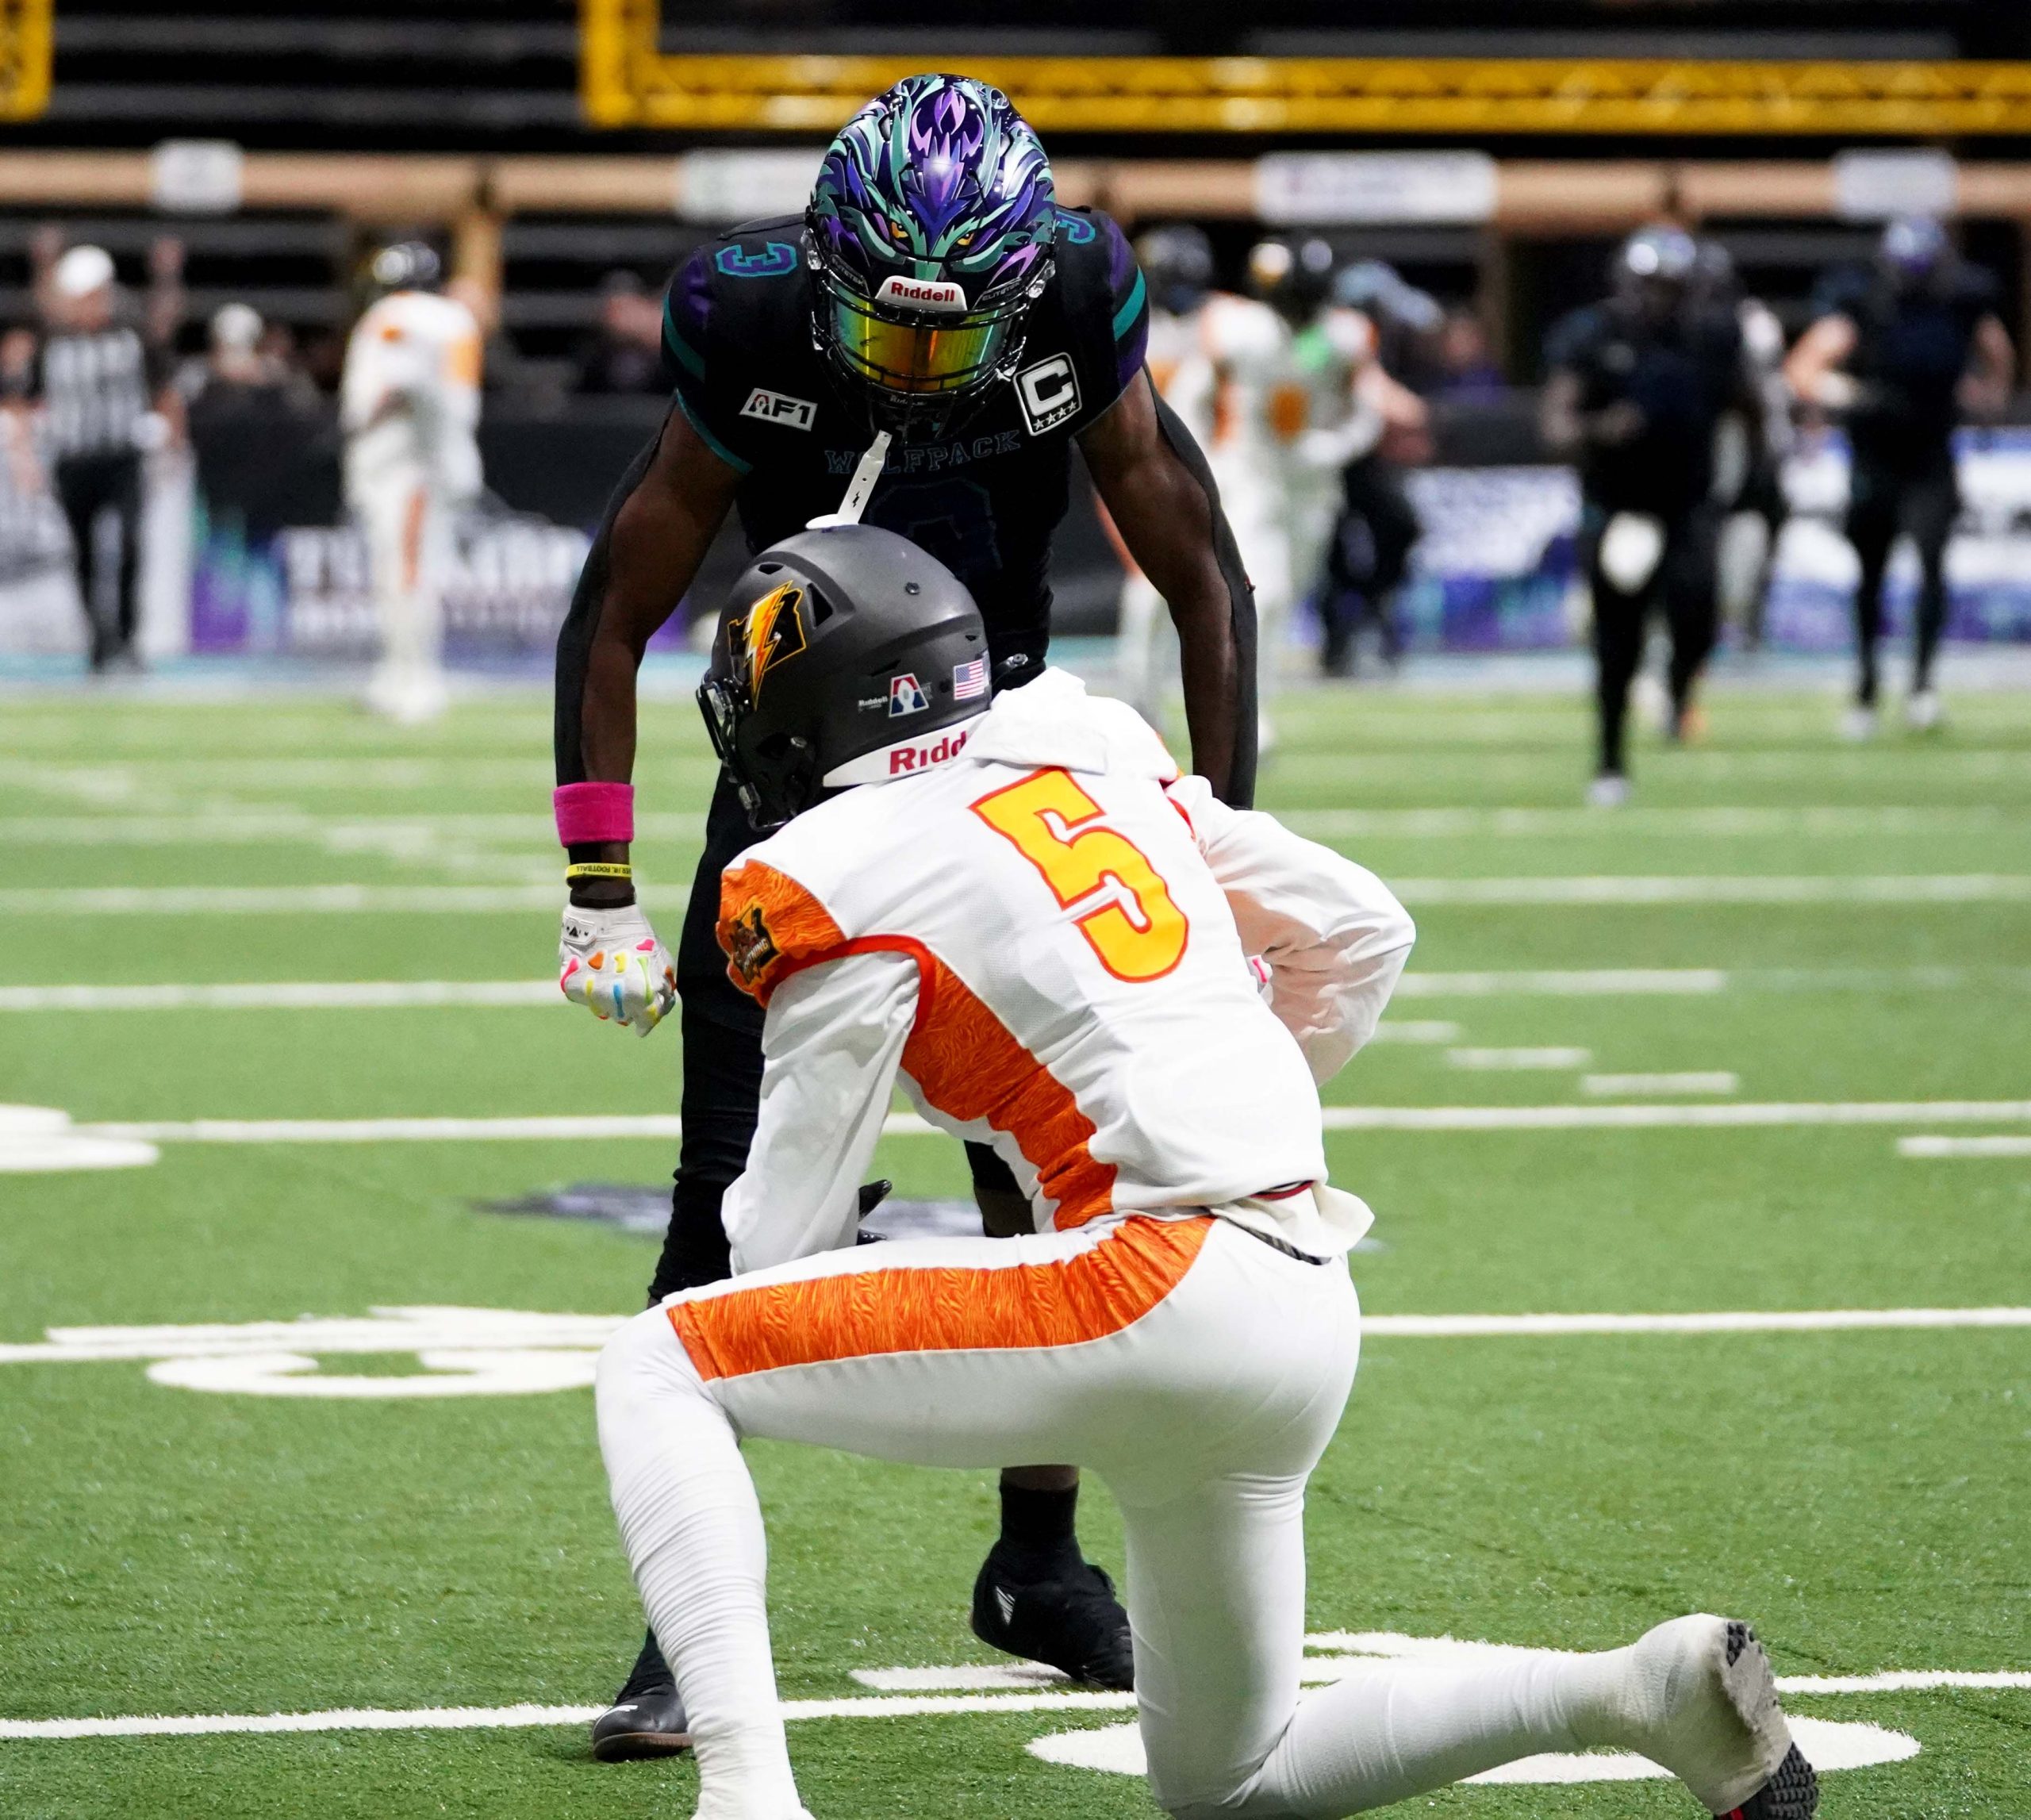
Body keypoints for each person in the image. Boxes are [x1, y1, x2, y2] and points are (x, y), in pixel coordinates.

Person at [593, 518, 1822, 1820]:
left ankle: (747, 1796)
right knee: (1231, 1781)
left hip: (1147, 1284)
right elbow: (1363, 928)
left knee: (662, 1359)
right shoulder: (1092, 753)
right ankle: (1636, 1691)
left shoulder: (823, 869)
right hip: (1301, 1288)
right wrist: (1229, 1109)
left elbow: (775, 1249)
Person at [549, 73, 1258, 1757]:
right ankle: (684, 1628)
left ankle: (1037, 1562)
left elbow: (1204, 573)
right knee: (726, 1216)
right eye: (889, 326)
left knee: (1055, 1195)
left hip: (1002, 777)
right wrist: (596, 891)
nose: (922, 366)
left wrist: (1217, 837)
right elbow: (615, 606)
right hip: (798, 791)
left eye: (958, 336)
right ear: (825, 274)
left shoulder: (1075, 296)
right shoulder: (745, 320)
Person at [1541, 225, 1762, 807]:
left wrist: (1754, 482)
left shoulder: (1712, 339)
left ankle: (1677, 691)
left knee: (1699, 617)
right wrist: (1601, 429)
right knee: (1618, 638)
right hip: (1619, 506)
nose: (1662, 298)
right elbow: (1556, 424)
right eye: (1653, 285)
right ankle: (1610, 758)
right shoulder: (1594, 335)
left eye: (1672, 286)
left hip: (1687, 504)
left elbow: (1750, 408)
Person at [1784, 217, 2014, 736]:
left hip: (1930, 455)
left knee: (1932, 564)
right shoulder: (1867, 304)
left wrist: (1989, 397)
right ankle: (1867, 687)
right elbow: (1804, 368)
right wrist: (1851, 394)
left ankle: (1922, 687)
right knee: (1871, 573)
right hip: (1878, 456)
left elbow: (1997, 351)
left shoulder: (1960, 303)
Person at [1, 242, 180, 670]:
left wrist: (170, 442)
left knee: (131, 544)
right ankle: (100, 642)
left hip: (123, 456)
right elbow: (22, 400)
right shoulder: (52, 342)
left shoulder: (131, 335)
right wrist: (25, 460)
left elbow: (164, 390)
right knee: (82, 552)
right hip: (74, 460)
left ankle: (128, 639)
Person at [340, 240, 482, 724]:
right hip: (430, 458)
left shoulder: (403, 316)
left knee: (407, 574)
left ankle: (417, 682)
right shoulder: (453, 317)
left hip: (409, 461)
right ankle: (398, 674)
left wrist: (362, 425)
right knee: (403, 572)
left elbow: (404, 383)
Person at [1110, 223, 1217, 728]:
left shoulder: (1219, 324)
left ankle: (1165, 695)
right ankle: (1138, 695)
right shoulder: (1131, 322)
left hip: (1208, 470)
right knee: (1147, 586)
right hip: (1141, 467)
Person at [1312, 260, 1434, 677]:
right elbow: (1374, 391)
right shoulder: (1324, 336)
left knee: (1400, 525)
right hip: (1320, 458)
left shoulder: (1364, 339)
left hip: (1360, 455)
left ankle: (1371, 611)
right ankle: (1337, 640)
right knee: (1330, 549)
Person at [1694, 242, 1793, 655]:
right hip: (1709, 440)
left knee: (1763, 523)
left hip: (1752, 440)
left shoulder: (1753, 323)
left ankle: (1748, 619)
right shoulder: (1682, 326)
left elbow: (1757, 390)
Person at [575, 270, 667, 395]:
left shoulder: (664, 341)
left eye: (625, 308)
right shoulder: (595, 359)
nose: (622, 316)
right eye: (615, 308)